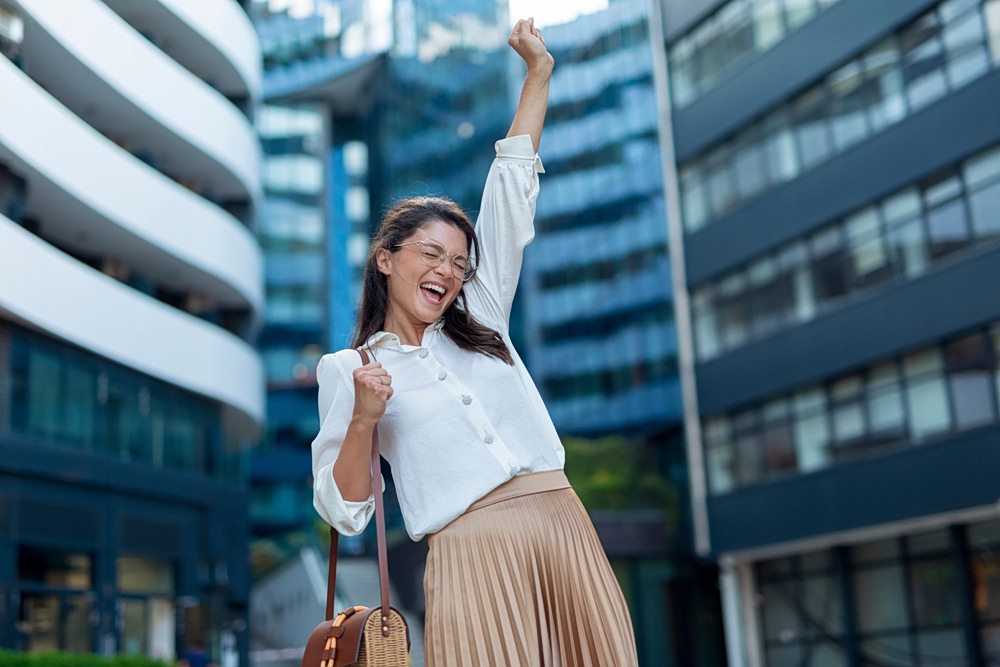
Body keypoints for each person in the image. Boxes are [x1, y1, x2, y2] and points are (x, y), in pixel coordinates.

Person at [312, 17, 639, 667]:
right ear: (385, 258)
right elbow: (344, 511)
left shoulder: (481, 315)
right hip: (468, 550)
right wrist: (365, 420)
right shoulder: (350, 368)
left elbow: (512, 184)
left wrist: (538, 76)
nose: (446, 270)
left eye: (459, 260)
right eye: (429, 253)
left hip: (559, 523)